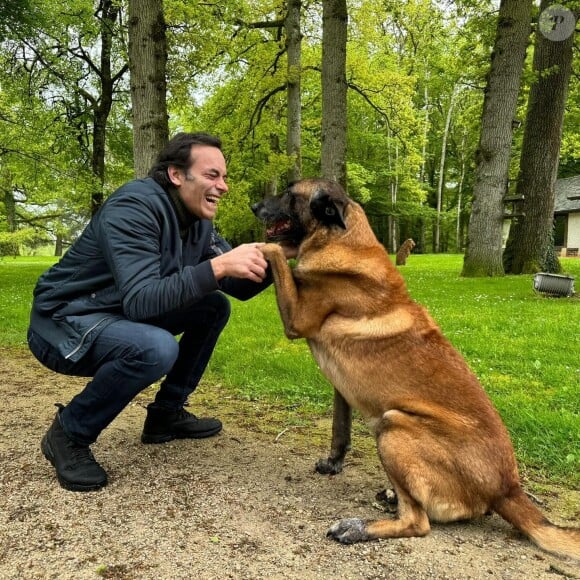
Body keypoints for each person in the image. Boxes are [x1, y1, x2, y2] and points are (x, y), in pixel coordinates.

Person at [27, 132, 290, 492]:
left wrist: (286, 252)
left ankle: (166, 415)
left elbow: (239, 287)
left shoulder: (199, 222)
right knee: (155, 348)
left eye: (224, 177)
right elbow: (141, 300)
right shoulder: (133, 208)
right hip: (64, 323)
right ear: (176, 175)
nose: (224, 186)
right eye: (213, 175)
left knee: (213, 306)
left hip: (115, 314)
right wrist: (216, 268)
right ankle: (69, 433)